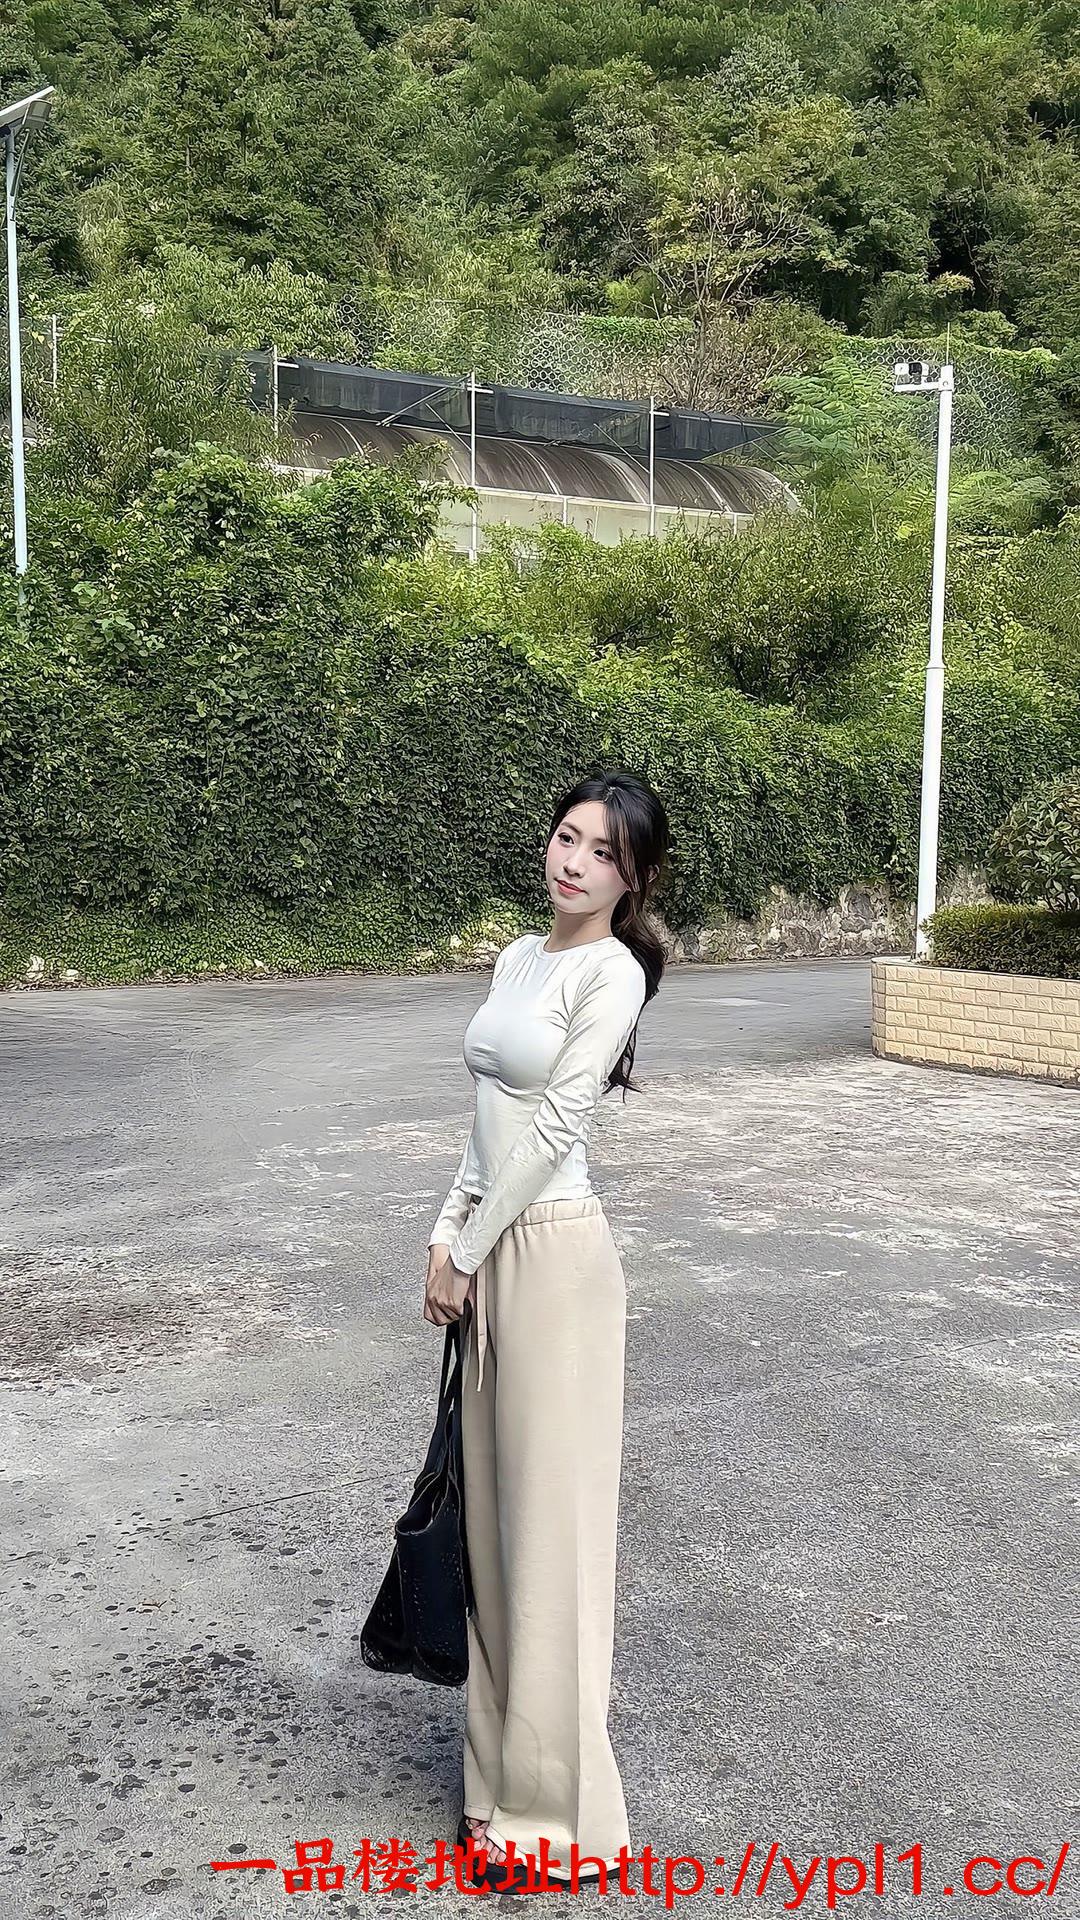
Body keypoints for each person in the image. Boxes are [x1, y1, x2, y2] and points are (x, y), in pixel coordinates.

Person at [423, 767, 671, 1894]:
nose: (576, 862)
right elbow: (487, 1122)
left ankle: (561, 1823)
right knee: (491, 1534)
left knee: (553, 1541)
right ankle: (495, 1788)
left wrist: (471, 1249)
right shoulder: (520, 956)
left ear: (632, 878)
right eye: (568, 837)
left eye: (603, 852)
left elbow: (560, 1120)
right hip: (489, 1247)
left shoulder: (612, 973)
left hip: (558, 1259)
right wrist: (445, 1232)